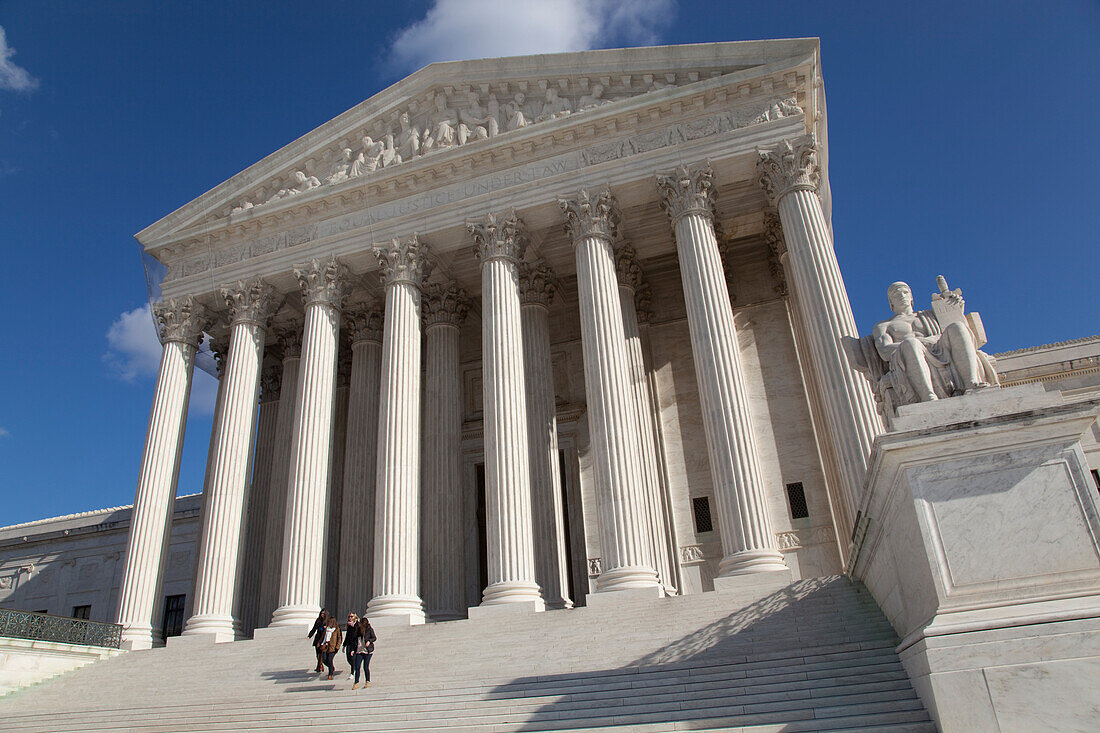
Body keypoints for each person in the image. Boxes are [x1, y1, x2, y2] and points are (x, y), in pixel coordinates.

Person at [351, 616, 377, 690]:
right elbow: (355, 641)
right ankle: (356, 683)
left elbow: (374, 637)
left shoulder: (369, 629)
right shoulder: (358, 630)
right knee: (357, 667)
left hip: (368, 651)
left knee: (366, 667)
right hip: (359, 651)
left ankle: (367, 681)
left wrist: (369, 641)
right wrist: (353, 649)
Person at [319, 615, 342, 680]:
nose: (328, 623)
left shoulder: (337, 629)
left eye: (329, 622)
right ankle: (331, 667)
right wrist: (319, 643)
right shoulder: (326, 629)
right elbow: (322, 637)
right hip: (325, 646)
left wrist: (337, 647)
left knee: (329, 659)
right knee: (324, 660)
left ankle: (330, 674)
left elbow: (339, 638)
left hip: (333, 647)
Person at [306, 609, 328, 673]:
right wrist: (309, 636)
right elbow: (314, 629)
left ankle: (320, 666)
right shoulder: (318, 620)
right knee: (317, 654)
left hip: (324, 638)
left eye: (323, 614)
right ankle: (320, 666)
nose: (322, 615)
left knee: (322, 653)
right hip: (318, 638)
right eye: (321, 613)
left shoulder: (327, 621)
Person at [342, 612, 360, 681]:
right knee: (348, 659)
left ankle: (352, 673)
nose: (350, 618)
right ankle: (355, 667)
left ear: (355, 617)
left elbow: (356, 636)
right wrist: (344, 645)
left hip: (355, 644)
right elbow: (347, 636)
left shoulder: (357, 625)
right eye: (349, 616)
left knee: (352, 658)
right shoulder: (349, 626)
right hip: (349, 644)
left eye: (351, 616)